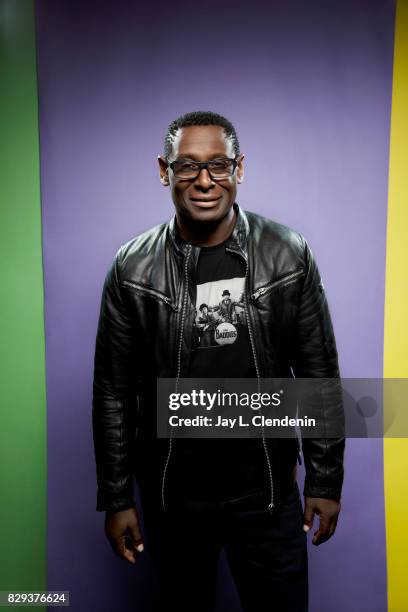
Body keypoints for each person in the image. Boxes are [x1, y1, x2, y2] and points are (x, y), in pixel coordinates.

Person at [92, 111, 345, 612]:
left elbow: (317, 370)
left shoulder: (287, 253)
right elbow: (114, 392)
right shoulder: (132, 267)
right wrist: (117, 498)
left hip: (268, 493)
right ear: (165, 171)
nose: (204, 181)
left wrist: (324, 479)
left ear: (239, 169)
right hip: (174, 499)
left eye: (218, 165)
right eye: (188, 166)